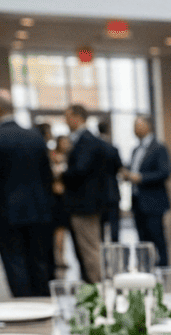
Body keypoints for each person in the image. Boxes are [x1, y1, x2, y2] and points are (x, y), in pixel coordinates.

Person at [0, 93, 54, 298]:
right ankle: (42, 304)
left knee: (15, 262)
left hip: (6, 213)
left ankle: (23, 306)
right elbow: (46, 176)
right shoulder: (34, 136)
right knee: (38, 261)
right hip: (38, 210)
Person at [61, 104, 109, 283]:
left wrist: (61, 173)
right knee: (86, 250)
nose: (65, 121)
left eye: (67, 116)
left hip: (85, 205)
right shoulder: (81, 140)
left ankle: (98, 290)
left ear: (76, 117)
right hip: (82, 204)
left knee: (90, 250)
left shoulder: (87, 140)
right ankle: (91, 287)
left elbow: (80, 170)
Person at [122, 115, 171, 266]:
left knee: (157, 238)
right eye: (134, 126)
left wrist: (141, 178)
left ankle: (163, 269)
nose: (135, 129)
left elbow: (164, 172)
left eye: (138, 125)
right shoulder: (136, 149)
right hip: (138, 201)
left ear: (148, 126)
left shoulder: (159, 147)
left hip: (153, 201)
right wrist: (127, 174)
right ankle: (145, 268)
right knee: (142, 240)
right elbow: (134, 169)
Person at [97, 118, 123, 243]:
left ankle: (101, 252)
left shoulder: (95, 148)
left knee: (100, 227)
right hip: (112, 190)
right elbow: (120, 167)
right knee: (114, 225)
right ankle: (115, 249)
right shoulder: (112, 148)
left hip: (98, 191)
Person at [51, 134, 71, 275]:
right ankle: (56, 257)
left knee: (62, 230)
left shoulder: (70, 157)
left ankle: (61, 256)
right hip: (55, 197)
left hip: (66, 196)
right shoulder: (51, 156)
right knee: (57, 229)